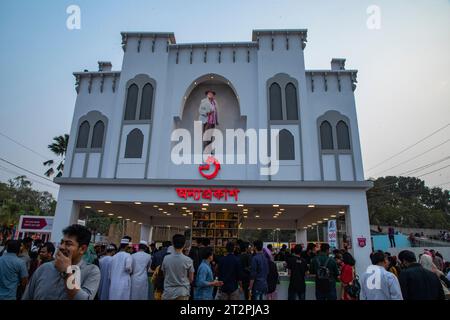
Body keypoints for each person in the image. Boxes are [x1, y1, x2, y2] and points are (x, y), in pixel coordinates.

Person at [22, 224, 100, 300]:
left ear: (82, 249)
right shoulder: (44, 268)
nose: (61, 247)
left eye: (68, 244)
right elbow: (27, 296)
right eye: (62, 242)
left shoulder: (91, 271)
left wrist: (67, 272)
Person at [161, 234, 195, 300]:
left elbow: (164, 274)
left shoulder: (166, 258)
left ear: (173, 244)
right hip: (183, 292)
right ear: (184, 245)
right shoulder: (188, 260)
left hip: (168, 292)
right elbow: (191, 279)